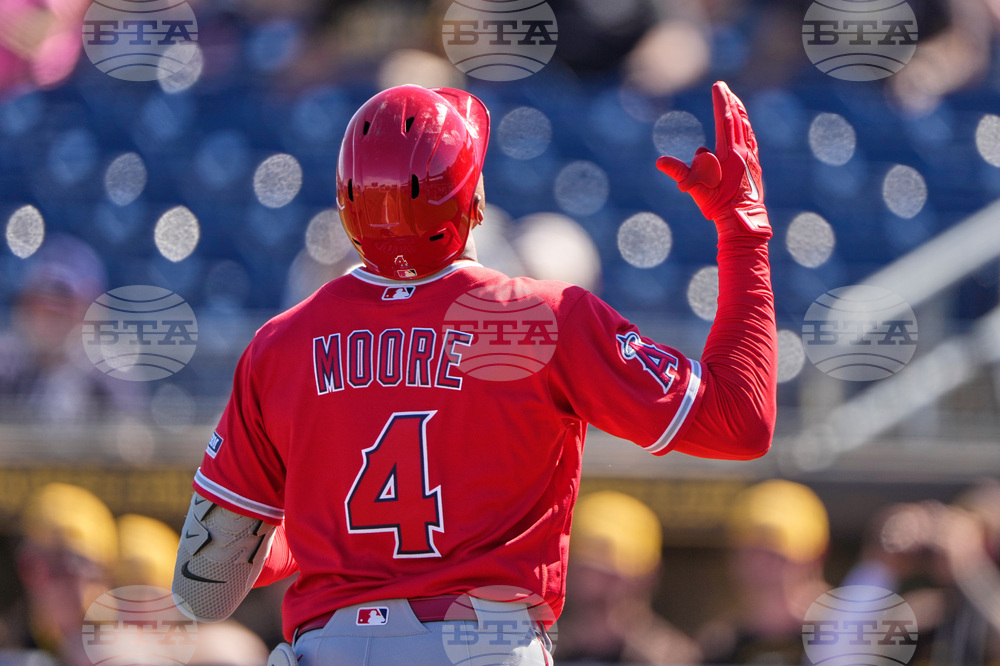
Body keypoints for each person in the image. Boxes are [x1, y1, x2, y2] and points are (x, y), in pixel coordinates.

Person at [172, 81, 777, 665]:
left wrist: (324, 532)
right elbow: (741, 421)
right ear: (473, 203)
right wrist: (742, 230)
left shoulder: (280, 344)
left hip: (332, 647)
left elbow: (205, 587)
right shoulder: (540, 319)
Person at [557, 490, 701, 664]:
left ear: (649, 577)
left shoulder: (673, 657)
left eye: (611, 575)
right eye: (584, 571)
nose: (594, 587)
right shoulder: (543, 652)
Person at [699, 479, 831, 665]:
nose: (760, 565)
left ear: (817, 555)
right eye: (751, 551)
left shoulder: (846, 636)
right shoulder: (718, 647)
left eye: (776, 554)